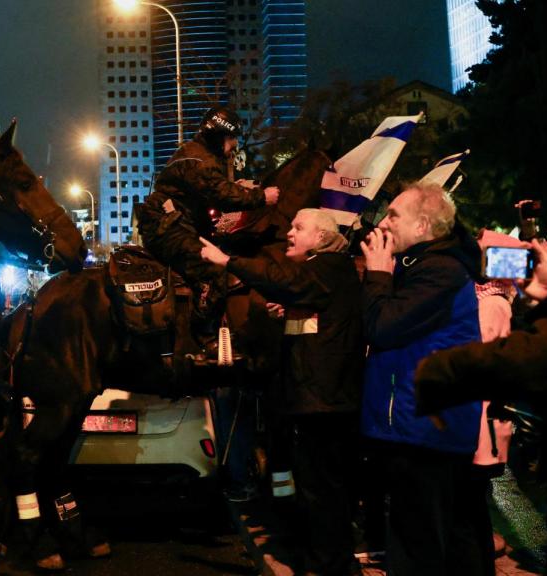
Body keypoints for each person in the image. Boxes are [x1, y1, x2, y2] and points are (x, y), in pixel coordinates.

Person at [202, 208, 364, 575]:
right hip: (318, 401)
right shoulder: (325, 273)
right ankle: (320, 555)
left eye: (298, 227)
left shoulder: (325, 267)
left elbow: (283, 278)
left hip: (324, 404)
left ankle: (329, 565)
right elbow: (320, 322)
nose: (289, 232)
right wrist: (290, 311)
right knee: (316, 487)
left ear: (322, 237)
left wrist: (226, 260)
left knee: (324, 491)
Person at [416, 236, 547, 574]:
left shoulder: (492, 304)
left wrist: (437, 371)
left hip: (481, 420)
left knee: (468, 507)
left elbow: (522, 357)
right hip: (519, 432)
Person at [359, 182, 488, 575]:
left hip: (427, 430)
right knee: (449, 539)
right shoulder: (424, 267)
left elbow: (382, 327)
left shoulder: (438, 271)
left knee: (419, 545)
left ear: (423, 226)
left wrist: (378, 275)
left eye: (395, 214)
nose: (384, 223)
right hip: (424, 427)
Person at [137, 106, 279, 309]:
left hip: (173, 225)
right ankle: (205, 334)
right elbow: (221, 195)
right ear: (217, 136)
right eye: (231, 138)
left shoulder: (198, 154)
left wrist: (237, 188)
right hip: (168, 230)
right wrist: (262, 196)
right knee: (214, 269)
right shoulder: (200, 160)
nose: (235, 144)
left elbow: (211, 190)